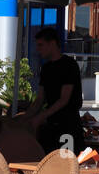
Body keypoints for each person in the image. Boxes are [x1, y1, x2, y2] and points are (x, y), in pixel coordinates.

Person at [27, 28, 84, 156]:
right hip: (51, 126)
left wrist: (41, 116)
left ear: (52, 43)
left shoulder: (69, 65)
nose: (38, 49)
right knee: (47, 161)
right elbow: (40, 99)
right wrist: (24, 118)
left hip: (68, 125)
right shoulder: (46, 68)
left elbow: (64, 99)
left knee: (67, 162)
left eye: (41, 45)